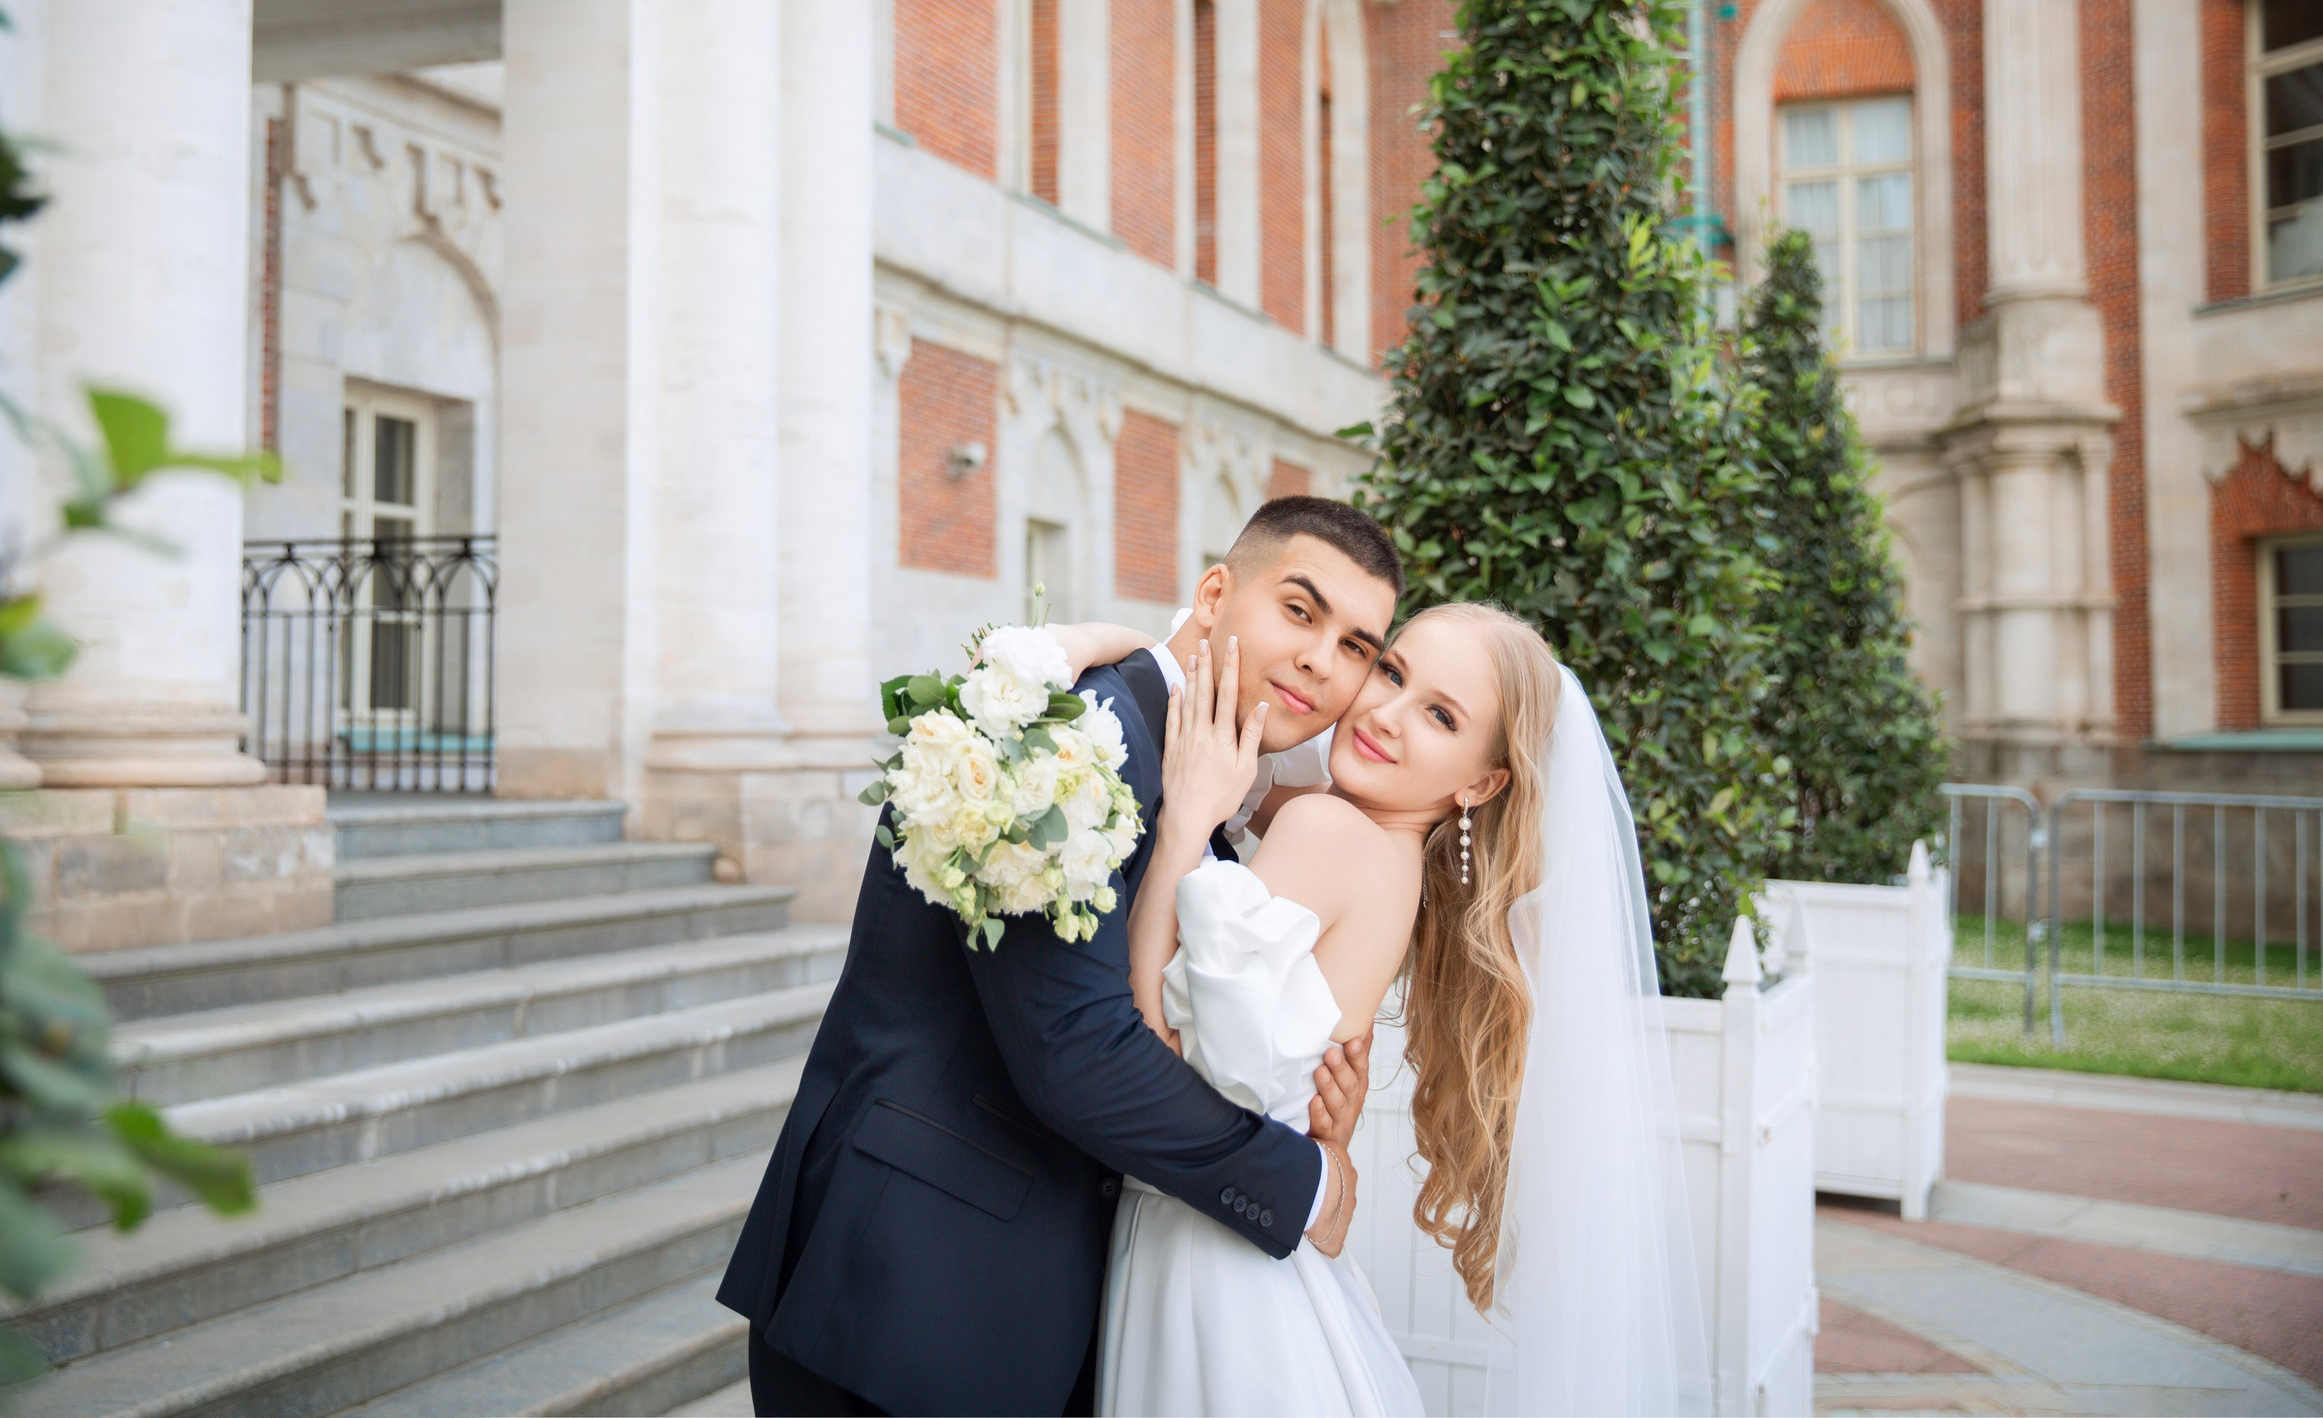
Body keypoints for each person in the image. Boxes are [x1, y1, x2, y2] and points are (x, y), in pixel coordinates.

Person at [717, 498, 1407, 1416]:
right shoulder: (1069, 738)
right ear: (1213, 593)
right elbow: (1079, 1052)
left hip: (1044, 1310)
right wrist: (1302, 1180)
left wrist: (1312, 1084)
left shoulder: (1216, 792)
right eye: (1299, 610)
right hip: (910, 1292)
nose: (1324, 661)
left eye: (1357, 646)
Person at [1069, 603, 1709, 1417]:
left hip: (1207, 1263)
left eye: (1440, 715)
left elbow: (1150, 1047)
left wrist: (1183, 830)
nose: (1384, 713)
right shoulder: (1395, 860)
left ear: (1480, 782)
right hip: (1254, 1253)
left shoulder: (1327, 827)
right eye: (1392, 671)